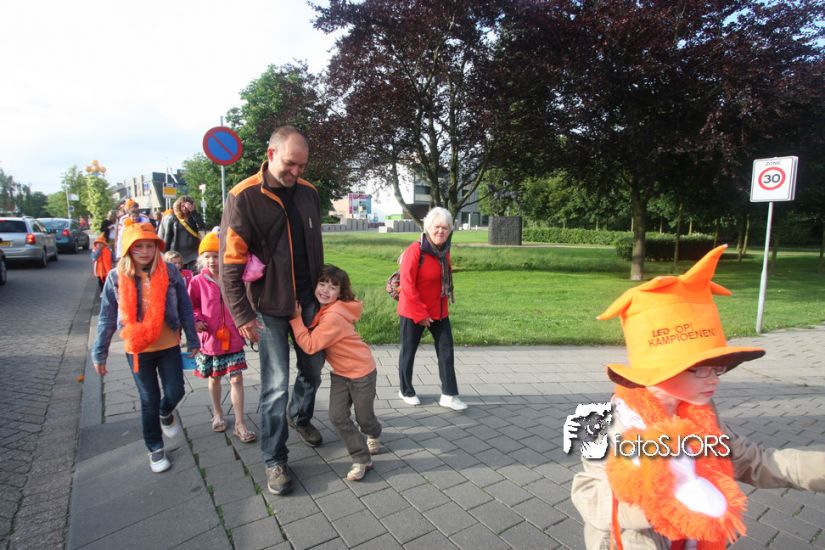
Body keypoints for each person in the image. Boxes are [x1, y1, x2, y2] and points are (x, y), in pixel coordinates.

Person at [570, 245, 825, 549]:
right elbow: (589, 495)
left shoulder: (699, 415)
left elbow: (753, 460)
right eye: (700, 369)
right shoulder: (615, 427)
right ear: (656, 373)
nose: (715, 378)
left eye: (718, 367)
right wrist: (669, 497)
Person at [219, 125, 325, 496]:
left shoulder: (309, 193)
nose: (297, 172)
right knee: (276, 385)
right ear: (271, 154)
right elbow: (229, 264)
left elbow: (315, 248)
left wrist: (327, 295)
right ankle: (274, 458)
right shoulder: (244, 196)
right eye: (290, 164)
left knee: (313, 370)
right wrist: (242, 315)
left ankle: (300, 416)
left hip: (309, 301)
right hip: (268, 307)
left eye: (302, 166)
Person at [91, 222, 199, 473]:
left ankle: (166, 412)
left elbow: (185, 307)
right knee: (148, 399)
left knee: (175, 391)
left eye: (150, 246)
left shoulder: (170, 272)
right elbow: (106, 318)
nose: (144, 251)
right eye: (138, 246)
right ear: (128, 248)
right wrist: (100, 353)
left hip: (168, 343)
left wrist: (193, 339)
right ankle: (155, 448)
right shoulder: (116, 277)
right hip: (137, 349)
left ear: (157, 247)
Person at [290, 265, 382, 482]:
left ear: (340, 292)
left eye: (332, 287)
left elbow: (311, 345)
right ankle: (362, 459)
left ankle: (374, 432)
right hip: (341, 374)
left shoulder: (334, 316)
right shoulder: (328, 309)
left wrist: (295, 319)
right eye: (322, 284)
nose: (325, 290)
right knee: (337, 416)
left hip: (362, 374)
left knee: (365, 420)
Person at [188, 231, 256, 443]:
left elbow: (245, 301)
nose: (212, 260)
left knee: (237, 378)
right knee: (215, 377)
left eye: (216, 256)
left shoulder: (232, 280)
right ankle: (217, 413)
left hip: (233, 337)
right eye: (207, 256)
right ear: (201, 259)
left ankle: (240, 423)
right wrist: (197, 319)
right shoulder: (197, 281)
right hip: (211, 339)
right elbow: (192, 306)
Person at [396, 207, 467, 411]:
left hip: (439, 311)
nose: (440, 231)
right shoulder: (415, 251)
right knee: (408, 352)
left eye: (445, 227)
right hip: (413, 311)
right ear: (428, 227)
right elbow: (407, 285)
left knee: (446, 351)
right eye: (437, 227)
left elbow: (443, 282)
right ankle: (405, 390)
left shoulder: (444, 251)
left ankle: (449, 395)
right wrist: (421, 314)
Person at [160, 196, 204, 270]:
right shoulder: (173, 218)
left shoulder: (195, 216)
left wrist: (193, 212)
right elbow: (168, 236)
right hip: (177, 253)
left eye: (187, 205)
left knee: (191, 273)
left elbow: (202, 226)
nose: (185, 208)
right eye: (182, 205)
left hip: (193, 254)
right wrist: (165, 253)